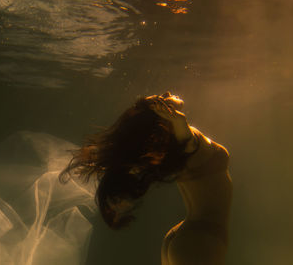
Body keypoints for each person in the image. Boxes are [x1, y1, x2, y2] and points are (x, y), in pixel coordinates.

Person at [61, 92, 233, 265]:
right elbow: (185, 137)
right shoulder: (185, 138)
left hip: (189, 237)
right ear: (162, 116)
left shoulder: (174, 146)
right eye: (159, 99)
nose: (166, 93)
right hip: (201, 240)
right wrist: (179, 121)